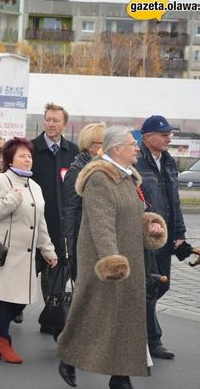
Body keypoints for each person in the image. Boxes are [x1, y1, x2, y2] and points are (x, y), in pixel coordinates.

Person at [56, 126, 167, 389]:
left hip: (128, 259)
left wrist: (148, 226)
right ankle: (68, 356)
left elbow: (128, 216)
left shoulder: (126, 176)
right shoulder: (100, 178)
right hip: (105, 261)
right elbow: (101, 223)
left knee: (125, 318)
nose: (137, 148)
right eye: (132, 144)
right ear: (117, 149)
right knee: (92, 312)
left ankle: (121, 376)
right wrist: (112, 260)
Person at [0, 137, 58, 363]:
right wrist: (11, 199)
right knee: (6, 298)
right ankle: (3, 341)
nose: (27, 160)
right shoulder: (0, 180)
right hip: (5, 253)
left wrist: (48, 250)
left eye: (29, 156)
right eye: (22, 155)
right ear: (9, 158)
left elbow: (40, 222)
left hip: (28, 254)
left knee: (22, 299)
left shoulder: (35, 186)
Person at [135, 115, 187, 360]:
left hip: (166, 236)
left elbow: (174, 200)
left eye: (169, 133)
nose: (169, 138)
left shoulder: (168, 161)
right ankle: (152, 340)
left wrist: (179, 236)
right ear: (147, 137)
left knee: (162, 286)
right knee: (151, 287)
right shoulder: (137, 161)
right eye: (163, 134)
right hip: (146, 238)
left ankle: (134, 329)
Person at [30, 102, 79, 334]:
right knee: (30, 270)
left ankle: (53, 316)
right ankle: (13, 309)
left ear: (64, 125)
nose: (50, 124)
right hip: (36, 221)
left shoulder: (72, 151)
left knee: (56, 272)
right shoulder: (31, 149)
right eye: (48, 119)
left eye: (55, 121)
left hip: (63, 225)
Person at [62, 122, 107, 280]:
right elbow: (69, 210)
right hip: (83, 241)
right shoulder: (77, 172)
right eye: (103, 143)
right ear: (90, 146)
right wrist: (69, 248)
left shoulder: (104, 169)